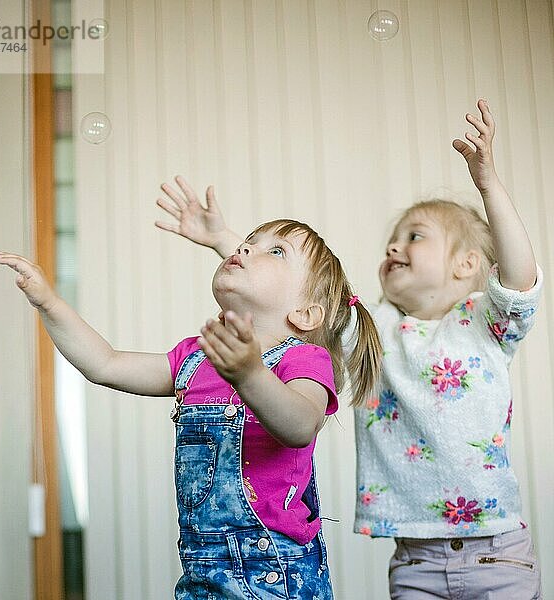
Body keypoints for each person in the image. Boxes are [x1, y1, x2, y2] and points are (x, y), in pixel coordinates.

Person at [156, 100, 543, 598]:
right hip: (415, 558)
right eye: (392, 239)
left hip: (498, 550)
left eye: (415, 237)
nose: (393, 247)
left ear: (468, 264)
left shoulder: (484, 324)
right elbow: (299, 296)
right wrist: (224, 242)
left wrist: (487, 182)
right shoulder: (376, 332)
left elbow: (519, 278)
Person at [0, 213, 382, 599]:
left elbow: (301, 425)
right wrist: (49, 302)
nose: (245, 247)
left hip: (276, 574)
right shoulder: (195, 358)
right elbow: (105, 364)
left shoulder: (304, 359)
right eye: (249, 239)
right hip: (201, 573)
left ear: (305, 313)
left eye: (276, 251)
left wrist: (250, 376)